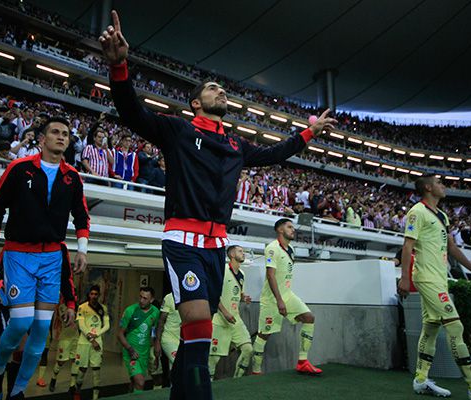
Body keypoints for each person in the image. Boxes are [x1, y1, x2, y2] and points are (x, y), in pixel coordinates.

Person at [99, 11, 336, 399]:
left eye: (222, 90)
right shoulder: (179, 129)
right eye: (212, 89)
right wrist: (120, 66)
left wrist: (309, 132)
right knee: (198, 325)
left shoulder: (235, 144)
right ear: (195, 103)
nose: (220, 92)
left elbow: (275, 153)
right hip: (182, 241)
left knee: (198, 336)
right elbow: (132, 113)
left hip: (216, 248)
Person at [0, 116, 90, 400]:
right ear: (41, 139)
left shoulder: (73, 177)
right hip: (18, 254)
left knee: (41, 331)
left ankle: (17, 390)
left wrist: (82, 250)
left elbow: (81, 216)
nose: (61, 137)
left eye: (65, 133)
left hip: (52, 257)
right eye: (55, 132)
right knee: (19, 322)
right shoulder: (19, 169)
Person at [397, 175, 471, 400]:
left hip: (439, 279)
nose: (443, 186)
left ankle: (421, 379)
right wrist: (404, 278)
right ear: (428, 187)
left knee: (431, 328)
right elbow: (407, 247)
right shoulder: (417, 211)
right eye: (439, 183)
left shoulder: (442, 215)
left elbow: (452, 248)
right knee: (455, 328)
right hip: (426, 278)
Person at [252, 218, 322, 375]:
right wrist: (279, 300)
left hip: (288, 295)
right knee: (264, 334)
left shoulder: (291, 249)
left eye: (293, 227)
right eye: (289, 227)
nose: (293, 230)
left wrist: (284, 299)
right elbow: (271, 276)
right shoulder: (272, 248)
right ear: (280, 230)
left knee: (309, 318)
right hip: (272, 299)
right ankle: (256, 370)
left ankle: (303, 361)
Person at [208, 245, 253, 379]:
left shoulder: (242, 274)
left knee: (248, 350)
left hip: (235, 319)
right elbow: (213, 294)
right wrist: (225, 312)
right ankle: (207, 385)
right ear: (232, 255)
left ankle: (237, 380)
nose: (243, 253)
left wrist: (243, 297)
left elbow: (238, 292)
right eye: (240, 251)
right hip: (219, 320)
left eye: (243, 251)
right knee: (213, 359)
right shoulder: (222, 270)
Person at [117, 287, 160, 393]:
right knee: (140, 382)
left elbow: (154, 331)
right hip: (131, 353)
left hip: (144, 353)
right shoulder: (130, 310)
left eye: (145, 298)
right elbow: (119, 334)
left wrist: (155, 350)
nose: (141, 300)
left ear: (151, 299)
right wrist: (130, 350)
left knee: (134, 382)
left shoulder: (155, 312)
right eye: (140, 297)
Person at [72, 285, 109, 400]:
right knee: (82, 369)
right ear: (89, 295)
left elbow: (107, 325)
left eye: (95, 294)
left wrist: (96, 335)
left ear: (99, 295)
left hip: (98, 342)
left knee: (96, 369)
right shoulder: (82, 307)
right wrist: (92, 339)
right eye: (91, 294)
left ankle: (95, 396)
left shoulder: (103, 308)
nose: (93, 296)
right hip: (84, 342)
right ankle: (77, 391)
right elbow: (81, 326)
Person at [48, 300, 80, 392]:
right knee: (61, 361)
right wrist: (73, 321)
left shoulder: (78, 306)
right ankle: (53, 379)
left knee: (75, 360)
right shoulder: (62, 306)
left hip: (76, 337)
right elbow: (65, 319)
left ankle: (72, 385)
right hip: (65, 338)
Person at [155, 293, 182, 370]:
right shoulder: (169, 297)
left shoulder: (191, 295)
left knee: (174, 369)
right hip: (169, 338)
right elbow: (161, 321)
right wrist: (157, 342)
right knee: (179, 364)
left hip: (183, 340)